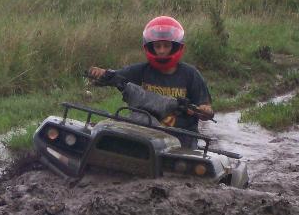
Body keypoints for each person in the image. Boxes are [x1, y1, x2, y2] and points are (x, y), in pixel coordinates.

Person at [88, 16, 214, 149]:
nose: (161, 51)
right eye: (157, 46)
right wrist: (101, 73)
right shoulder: (141, 70)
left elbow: (207, 110)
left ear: (175, 46)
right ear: (151, 47)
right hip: (146, 133)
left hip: (181, 137)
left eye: (166, 46)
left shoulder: (190, 74)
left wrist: (204, 110)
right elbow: (115, 76)